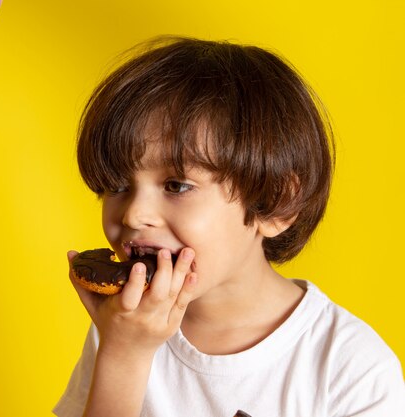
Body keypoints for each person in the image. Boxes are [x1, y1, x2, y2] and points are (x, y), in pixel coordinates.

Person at [53, 37, 405, 417]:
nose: (133, 215)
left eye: (177, 186)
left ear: (274, 203)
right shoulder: (125, 326)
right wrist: (122, 356)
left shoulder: (349, 368)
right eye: (117, 187)